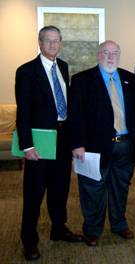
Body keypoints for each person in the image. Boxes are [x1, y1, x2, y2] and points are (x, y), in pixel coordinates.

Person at [15, 25, 83, 261]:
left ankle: (58, 228)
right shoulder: (26, 71)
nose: (53, 45)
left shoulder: (63, 67)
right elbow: (23, 113)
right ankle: (29, 240)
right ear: (39, 42)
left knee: (60, 188)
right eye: (48, 41)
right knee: (34, 192)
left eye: (57, 41)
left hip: (62, 138)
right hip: (40, 140)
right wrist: (27, 146)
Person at [68, 40, 135, 247]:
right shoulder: (82, 80)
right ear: (98, 55)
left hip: (124, 145)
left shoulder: (129, 79)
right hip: (93, 147)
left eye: (115, 53)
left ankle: (119, 224)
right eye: (106, 52)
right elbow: (75, 115)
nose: (110, 56)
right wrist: (77, 144)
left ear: (119, 55)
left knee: (120, 187)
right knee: (92, 189)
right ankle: (92, 229)